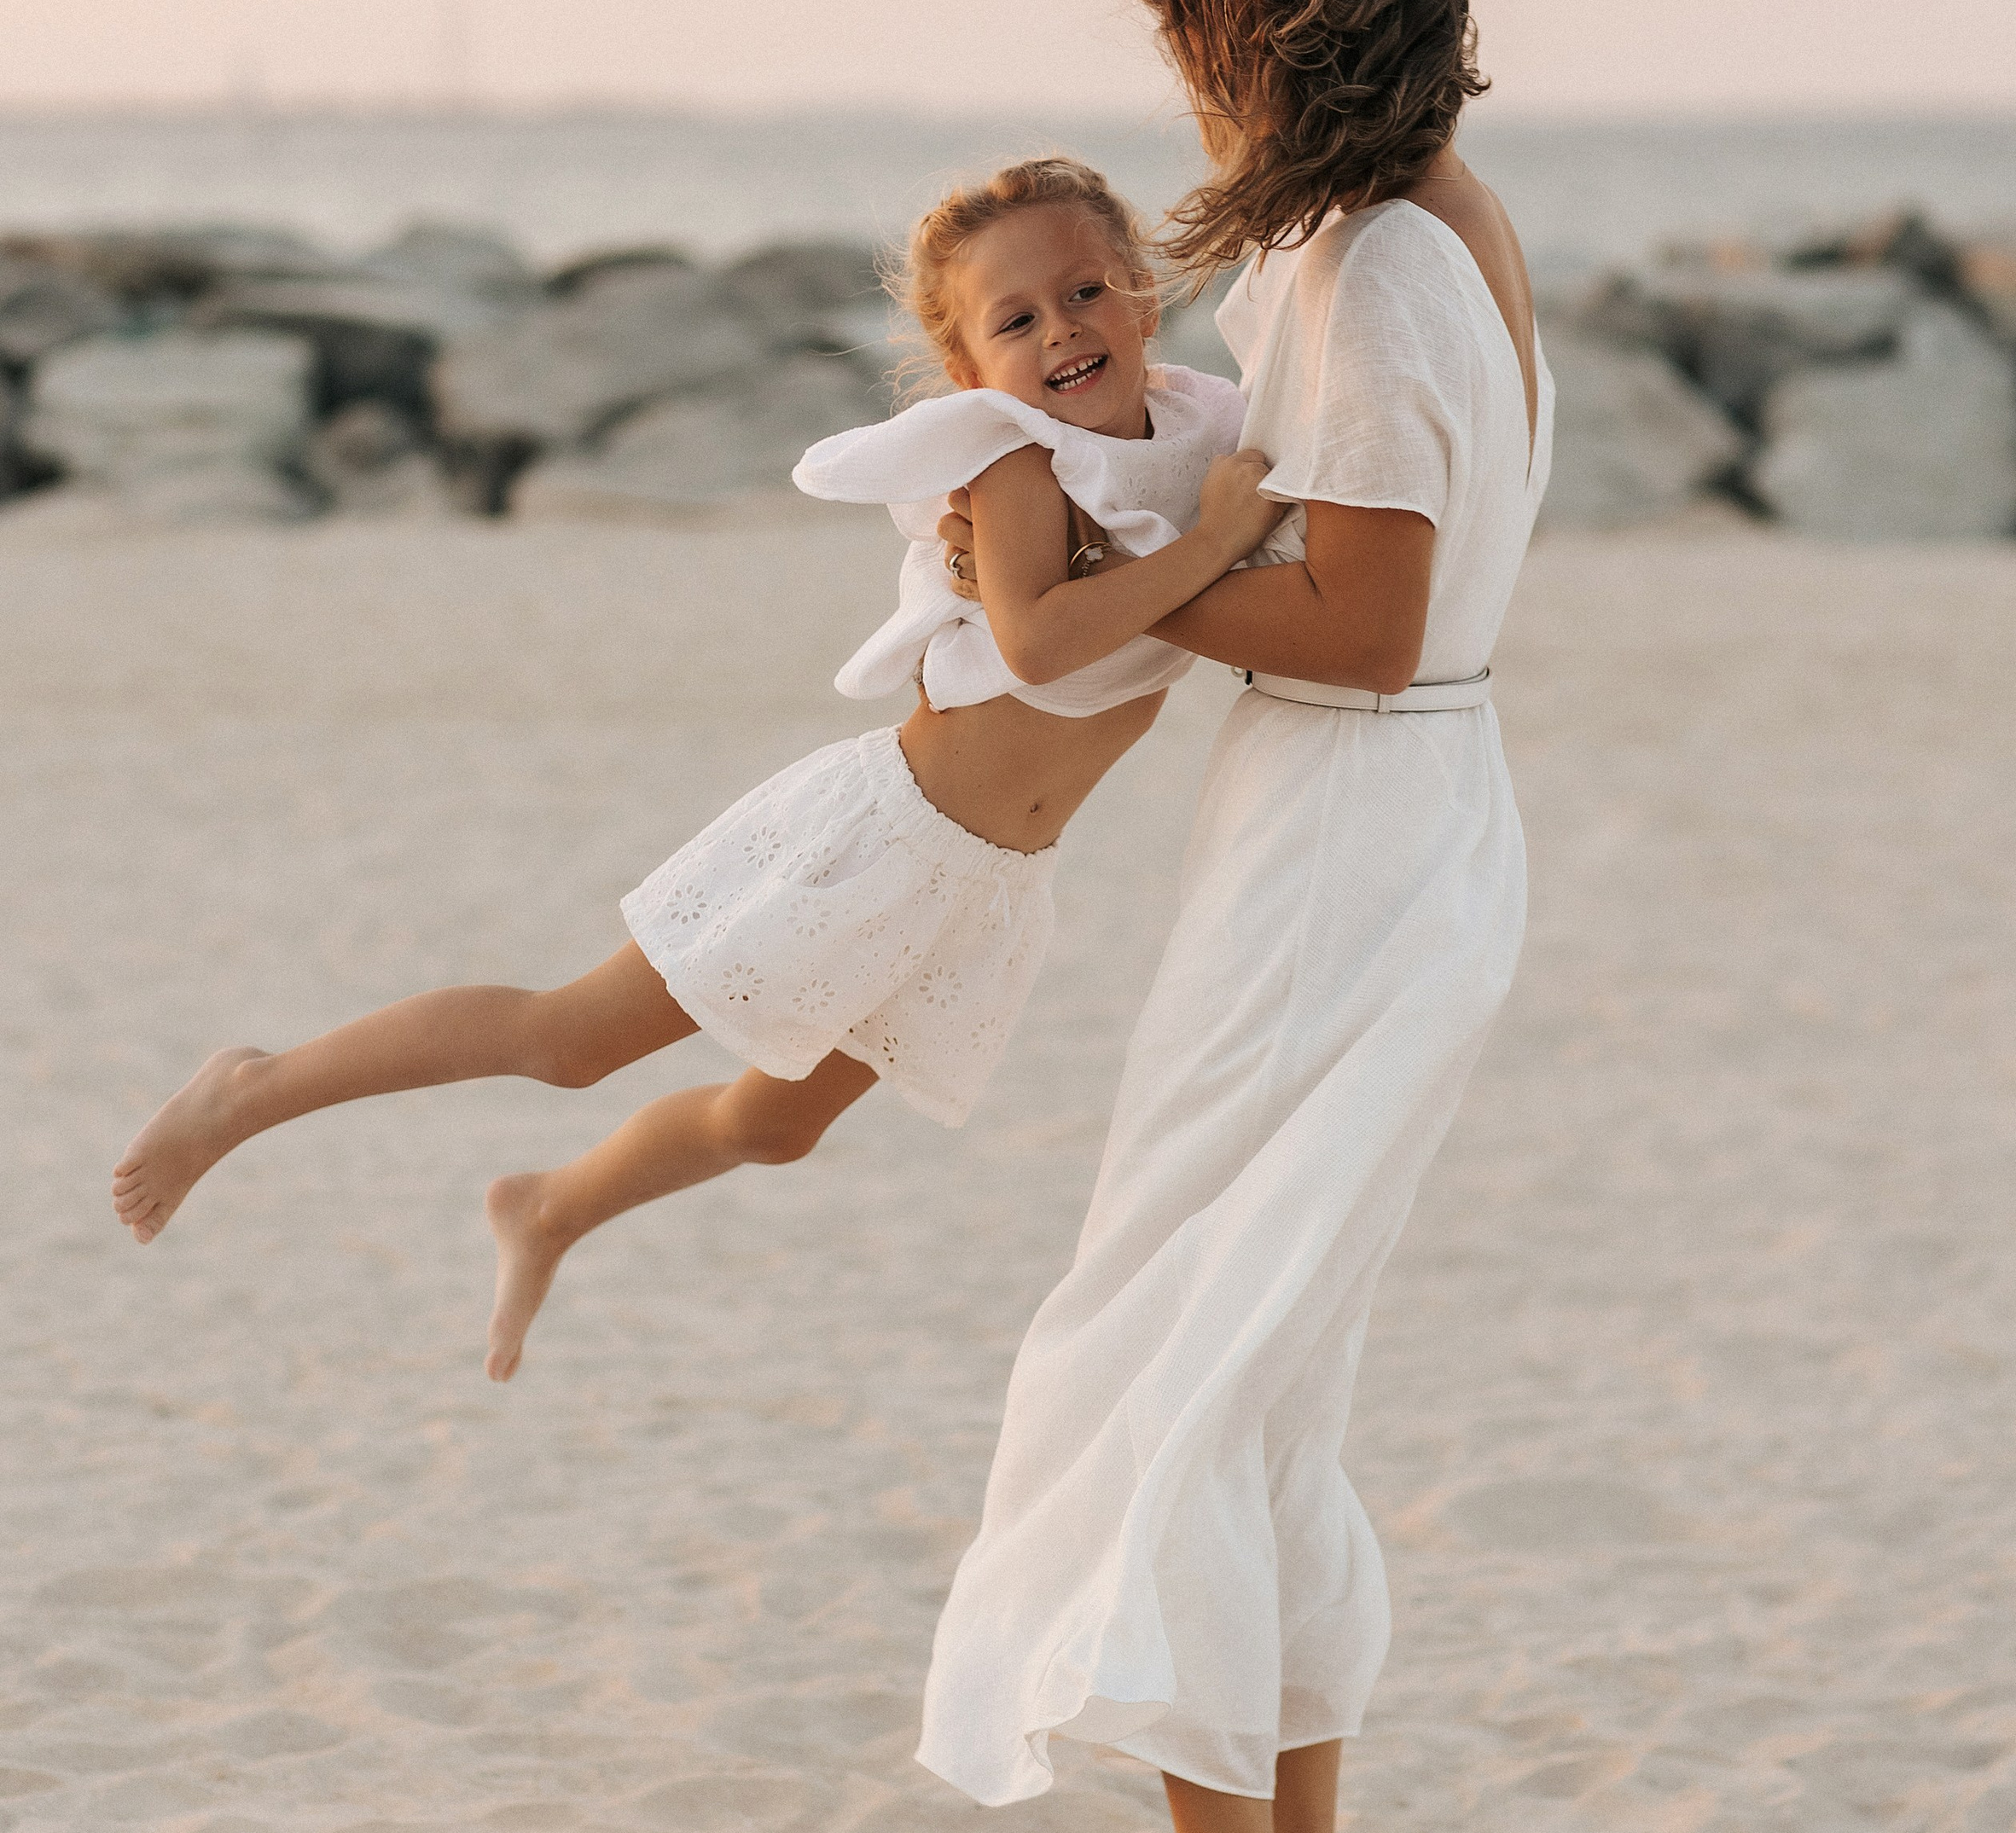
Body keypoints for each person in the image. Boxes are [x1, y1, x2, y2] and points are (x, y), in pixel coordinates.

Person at [917, 0, 1555, 1833]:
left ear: (1254, 42)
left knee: (1159, 1357)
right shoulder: (1436, 223)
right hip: (1401, 827)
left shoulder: (1371, 270)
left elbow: (1366, 622)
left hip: (1349, 836)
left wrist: (1136, 588)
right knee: (1266, 1379)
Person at [111, 158, 1282, 1380]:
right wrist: (1213, 543)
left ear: (1148, 298)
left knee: (771, 1130)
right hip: (883, 843)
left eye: (1087, 291)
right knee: (570, 1041)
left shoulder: (1204, 426)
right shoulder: (1014, 463)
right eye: (1017, 320)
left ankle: (549, 1208)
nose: (1063, 332)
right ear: (969, 373)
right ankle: (250, 1088)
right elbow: (1038, 643)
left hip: (987, 888)